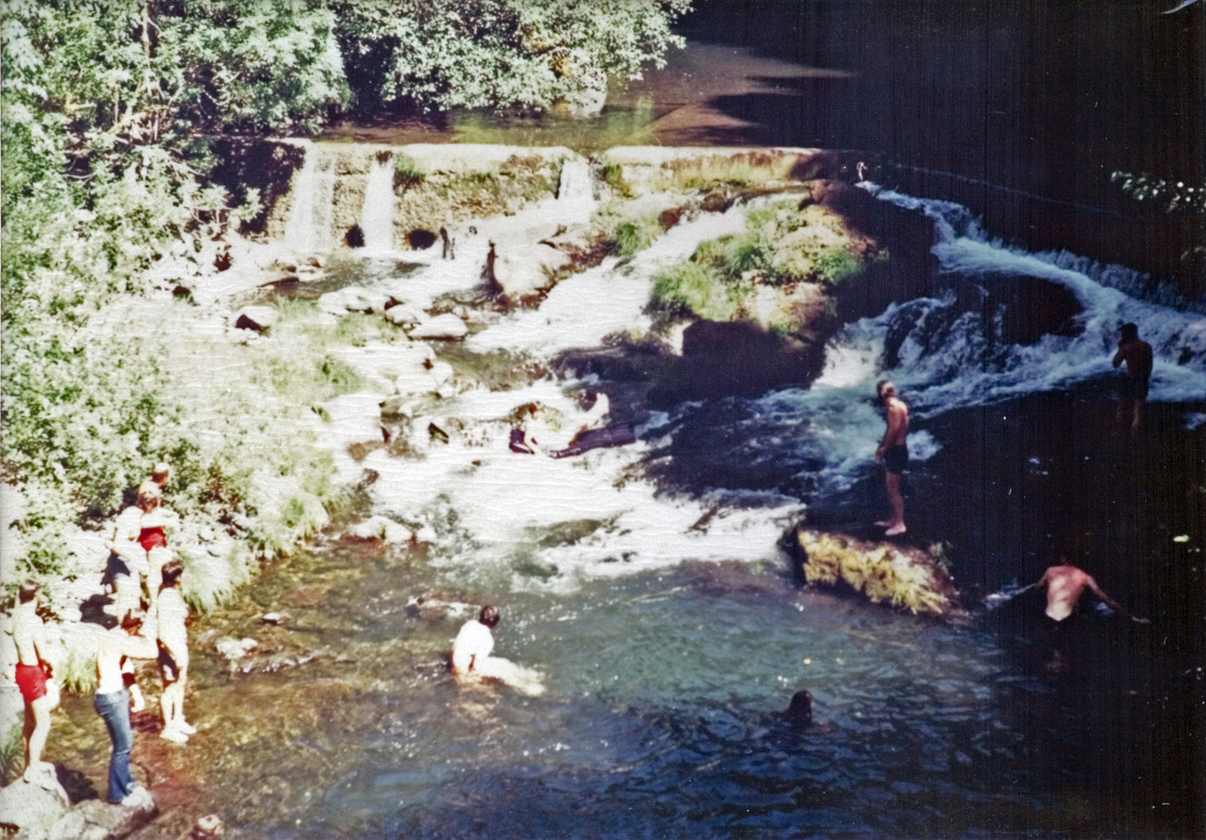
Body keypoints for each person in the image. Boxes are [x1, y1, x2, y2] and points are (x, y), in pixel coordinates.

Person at [94, 610, 158, 806]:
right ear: (135, 628)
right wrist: (149, 631)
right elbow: (153, 652)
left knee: (122, 745)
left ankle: (120, 789)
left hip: (107, 696)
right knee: (123, 747)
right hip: (112, 697)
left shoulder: (113, 634)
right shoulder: (122, 640)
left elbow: (126, 669)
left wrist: (135, 693)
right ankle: (123, 793)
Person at [12, 582, 66, 801]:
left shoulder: (16, 615)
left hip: (21, 669)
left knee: (30, 722)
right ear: (35, 596)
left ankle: (29, 763)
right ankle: (33, 770)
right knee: (44, 723)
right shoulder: (34, 620)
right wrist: (55, 664)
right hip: (33, 673)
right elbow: (43, 653)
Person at [450, 606, 545, 696]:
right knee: (504, 670)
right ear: (496, 622)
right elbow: (477, 665)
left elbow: (458, 645)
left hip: (456, 663)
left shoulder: (470, 623)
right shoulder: (487, 640)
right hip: (463, 671)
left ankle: (527, 679)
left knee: (504, 664)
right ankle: (530, 686)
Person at [156, 559, 194, 744]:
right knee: (170, 687)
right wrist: (175, 654)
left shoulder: (171, 593)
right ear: (177, 577)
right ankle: (167, 727)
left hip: (179, 644)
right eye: (182, 573)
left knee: (180, 684)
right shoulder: (165, 597)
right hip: (171, 649)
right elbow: (162, 633)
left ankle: (178, 719)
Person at [1035, 564, 1150, 624]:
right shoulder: (1085, 577)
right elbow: (1106, 599)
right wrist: (1132, 618)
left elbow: (1038, 588)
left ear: (1062, 557)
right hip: (1068, 619)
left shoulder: (1050, 571)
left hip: (1048, 617)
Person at [874, 379, 910, 536]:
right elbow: (889, 429)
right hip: (898, 450)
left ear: (882, 393)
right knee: (892, 488)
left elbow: (893, 431)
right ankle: (894, 519)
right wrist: (880, 446)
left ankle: (900, 524)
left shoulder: (893, 407)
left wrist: (884, 449)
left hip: (896, 450)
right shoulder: (900, 404)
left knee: (893, 489)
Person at [1112, 323, 1153, 434]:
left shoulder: (1125, 348)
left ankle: (1119, 432)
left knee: (1122, 407)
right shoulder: (1147, 346)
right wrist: (1146, 379)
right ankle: (1135, 435)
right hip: (1142, 378)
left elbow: (1115, 363)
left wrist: (1120, 348)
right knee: (1138, 411)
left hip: (1128, 378)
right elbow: (1150, 365)